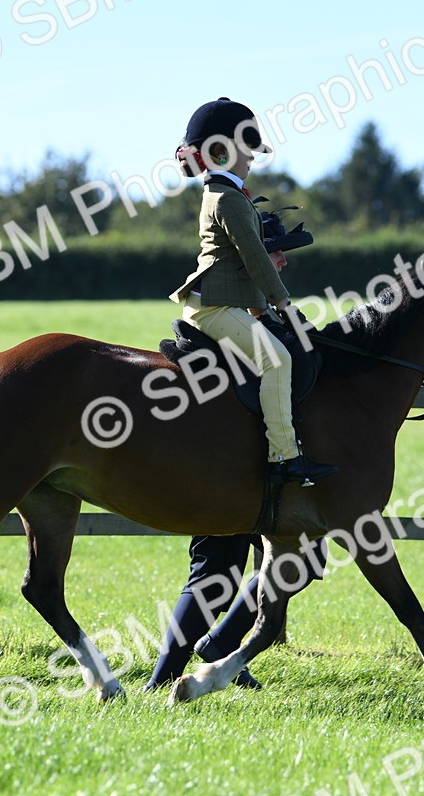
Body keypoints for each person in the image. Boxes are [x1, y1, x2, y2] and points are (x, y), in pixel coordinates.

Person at [148, 215, 328, 690]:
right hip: (233, 481)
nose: (284, 261)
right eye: (276, 253)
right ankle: (178, 670)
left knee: (292, 561)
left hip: (253, 482)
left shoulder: (252, 318)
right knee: (219, 572)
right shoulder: (241, 325)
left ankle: (213, 653)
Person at [169, 97, 337, 487]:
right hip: (212, 307)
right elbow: (257, 260)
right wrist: (284, 304)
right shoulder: (227, 199)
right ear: (223, 152)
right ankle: (284, 457)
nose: (251, 160)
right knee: (276, 360)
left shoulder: (228, 195)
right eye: (247, 153)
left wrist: (264, 312)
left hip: (224, 302)